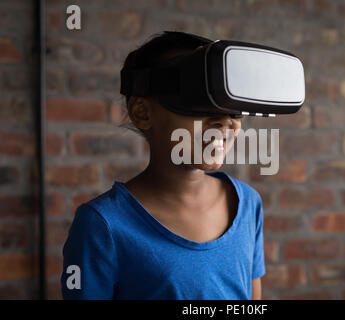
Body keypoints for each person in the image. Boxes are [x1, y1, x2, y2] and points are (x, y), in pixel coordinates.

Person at [61, 31, 266, 300]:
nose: (225, 122)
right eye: (199, 103)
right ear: (142, 112)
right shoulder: (102, 225)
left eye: (232, 107)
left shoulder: (248, 204)